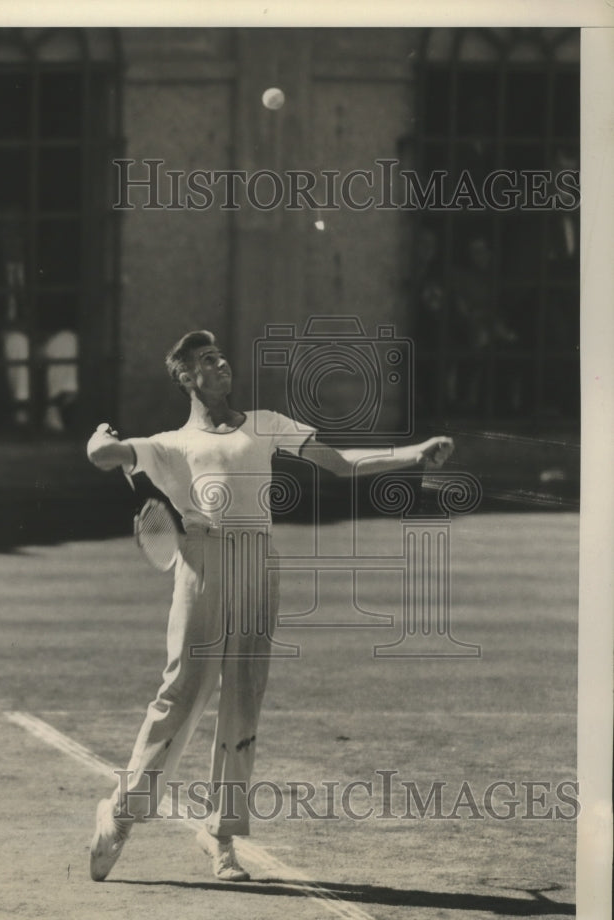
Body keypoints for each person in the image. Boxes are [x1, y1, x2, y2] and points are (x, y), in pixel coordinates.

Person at [85, 330, 453, 882]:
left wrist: (412, 453)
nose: (222, 362)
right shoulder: (169, 443)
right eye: (207, 360)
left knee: (245, 695)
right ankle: (120, 815)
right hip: (203, 561)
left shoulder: (266, 422)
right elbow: (101, 455)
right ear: (186, 377)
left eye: (220, 354)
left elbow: (344, 463)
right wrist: (98, 434)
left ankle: (221, 835)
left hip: (258, 560)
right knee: (182, 691)